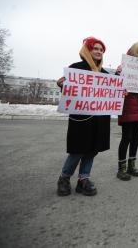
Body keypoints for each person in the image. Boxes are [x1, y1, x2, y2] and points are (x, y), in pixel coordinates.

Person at [56, 37, 110, 196]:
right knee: (77, 150)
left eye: (101, 49)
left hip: (99, 120)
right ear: (87, 50)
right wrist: (62, 85)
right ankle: (64, 178)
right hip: (81, 119)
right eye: (95, 48)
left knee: (92, 150)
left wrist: (121, 93)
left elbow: (112, 95)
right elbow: (70, 92)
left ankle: (83, 179)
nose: (99, 52)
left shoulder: (106, 74)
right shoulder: (76, 68)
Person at [115, 42, 138, 181]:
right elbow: (115, 86)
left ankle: (132, 165)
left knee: (135, 139)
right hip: (128, 106)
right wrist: (118, 74)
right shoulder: (125, 67)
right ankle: (121, 168)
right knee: (126, 138)